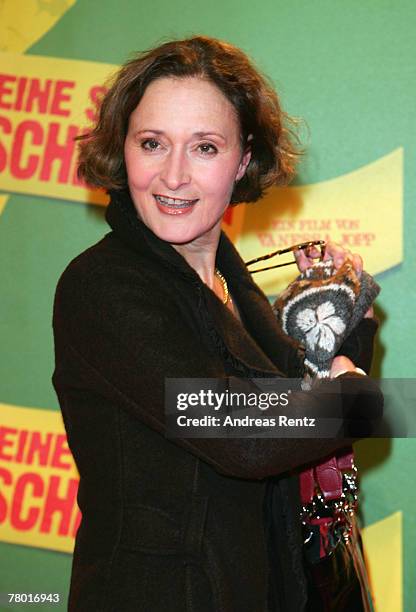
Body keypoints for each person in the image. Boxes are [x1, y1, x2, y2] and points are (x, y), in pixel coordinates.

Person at [52, 36, 380, 611]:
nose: (173, 176)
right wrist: (358, 396)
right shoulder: (102, 286)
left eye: (204, 147)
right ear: (122, 148)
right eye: (152, 143)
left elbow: (290, 419)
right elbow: (245, 437)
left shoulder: (231, 279)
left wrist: (344, 335)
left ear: (243, 160)